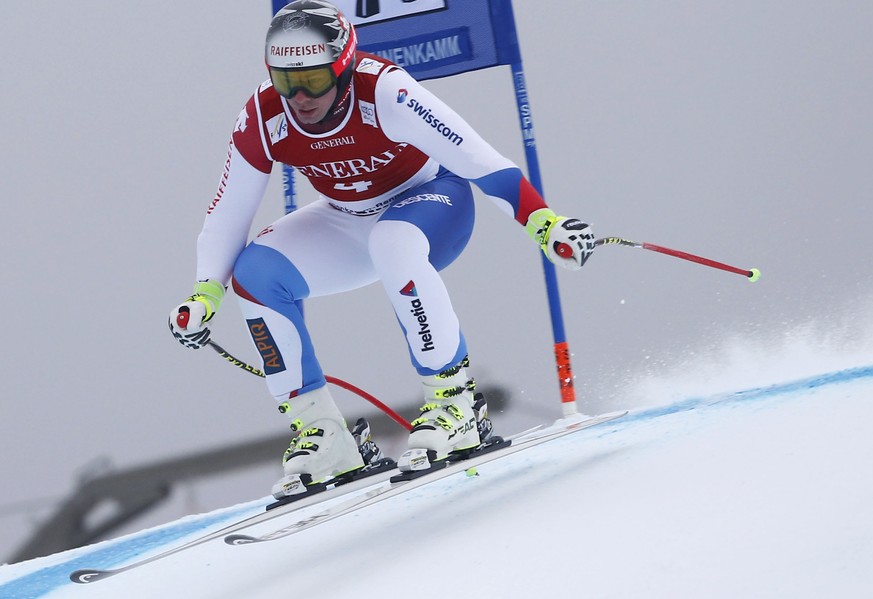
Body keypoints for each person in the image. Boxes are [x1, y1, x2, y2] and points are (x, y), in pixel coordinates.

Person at [168, 0, 595, 496]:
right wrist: (204, 294)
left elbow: (479, 159)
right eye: (287, 81)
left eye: (315, 79)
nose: (300, 96)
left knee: (392, 242)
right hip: (347, 217)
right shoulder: (263, 115)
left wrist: (543, 222)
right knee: (255, 274)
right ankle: (323, 435)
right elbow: (228, 213)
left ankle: (455, 405)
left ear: (344, 67)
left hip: (432, 201)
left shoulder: (384, 91)